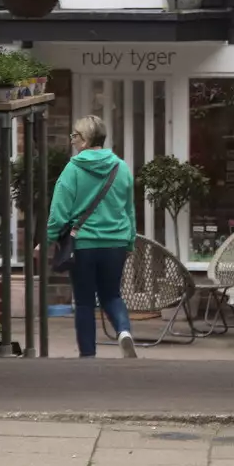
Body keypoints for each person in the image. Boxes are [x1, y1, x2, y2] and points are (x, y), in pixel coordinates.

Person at [47, 115, 138, 358]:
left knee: (85, 301)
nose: (73, 141)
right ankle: (124, 331)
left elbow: (59, 211)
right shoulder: (121, 167)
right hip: (116, 243)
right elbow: (129, 209)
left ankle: (88, 356)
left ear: (86, 140)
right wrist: (130, 242)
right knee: (112, 295)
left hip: (83, 244)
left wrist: (49, 239)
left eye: (75, 136)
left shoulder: (73, 168)